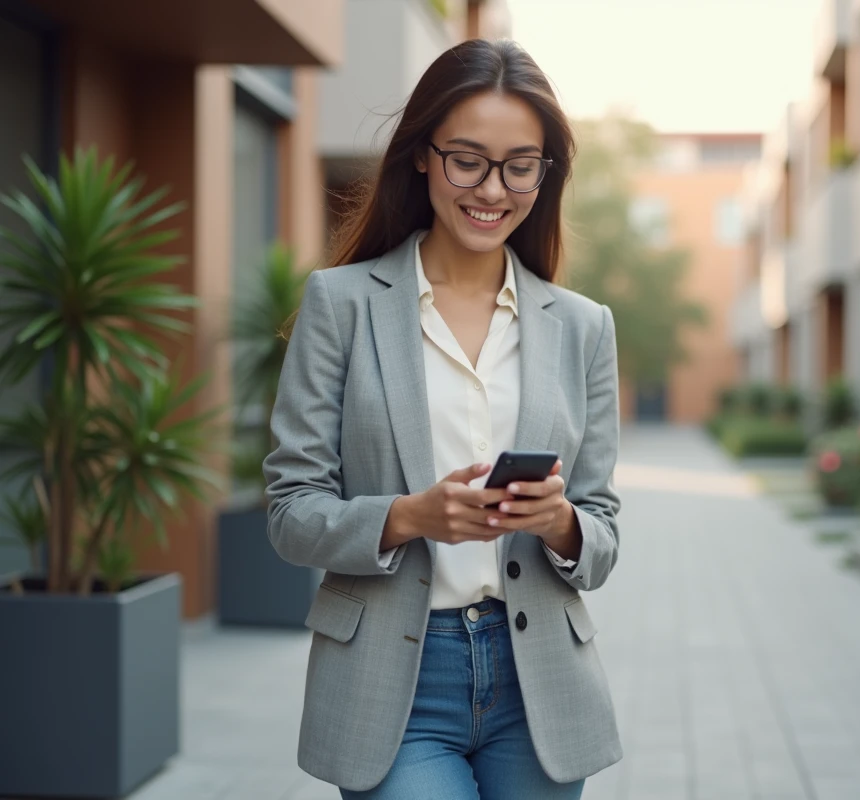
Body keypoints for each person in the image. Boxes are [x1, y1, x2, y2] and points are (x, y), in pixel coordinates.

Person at [263, 38, 621, 800]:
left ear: (544, 173)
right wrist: (407, 516)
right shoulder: (342, 305)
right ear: (423, 155)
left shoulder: (583, 327)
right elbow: (292, 514)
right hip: (395, 680)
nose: (493, 188)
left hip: (540, 683)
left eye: (520, 164)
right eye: (467, 159)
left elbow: (603, 535)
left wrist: (560, 523)